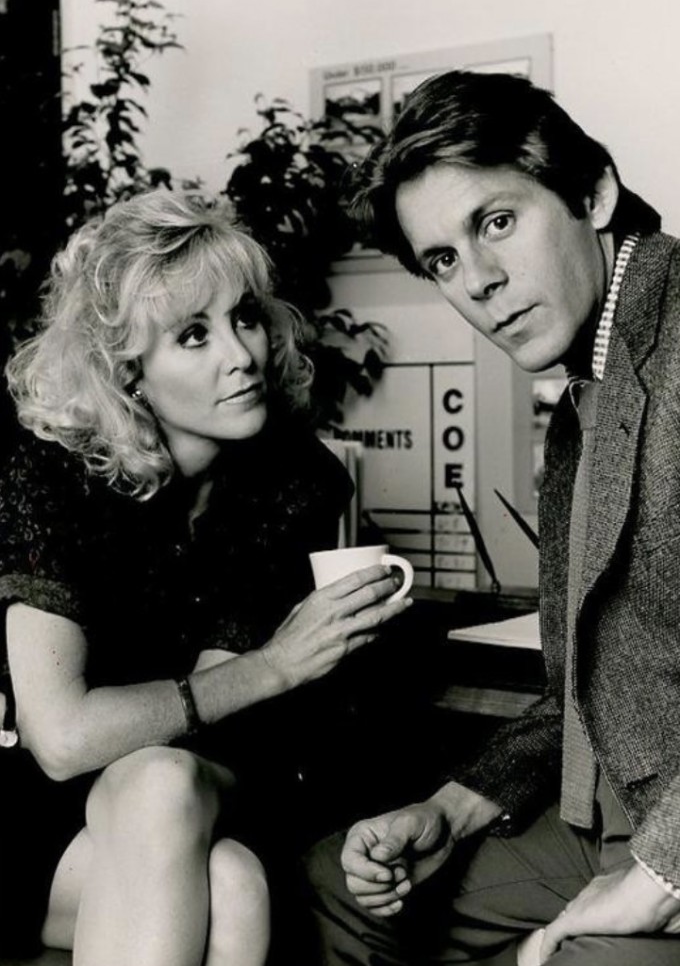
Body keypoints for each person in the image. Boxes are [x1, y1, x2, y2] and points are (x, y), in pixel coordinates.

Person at [305, 70, 680, 965]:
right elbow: (589, 684)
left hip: (666, 839)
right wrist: (452, 808)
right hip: (618, 813)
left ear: (593, 193)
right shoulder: (587, 389)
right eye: (442, 259)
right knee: (337, 887)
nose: (478, 282)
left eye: (497, 222)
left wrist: (659, 876)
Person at [0, 189, 413, 965]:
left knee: (169, 790)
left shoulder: (294, 479)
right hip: (45, 824)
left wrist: (258, 676)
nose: (242, 354)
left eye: (245, 317)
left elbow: (219, 725)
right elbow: (60, 740)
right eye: (194, 334)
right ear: (127, 371)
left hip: (210, 788)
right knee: (230, 883)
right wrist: (277, 665)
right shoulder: (51, 475)